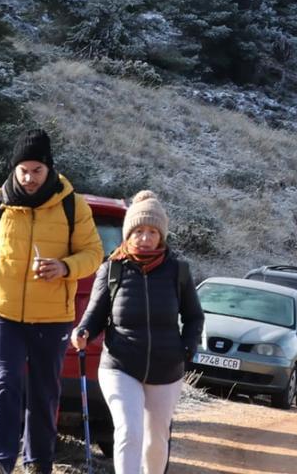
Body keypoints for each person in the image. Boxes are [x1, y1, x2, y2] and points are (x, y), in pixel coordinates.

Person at [0, 129, 105, 474]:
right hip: (2, 312)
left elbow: (94, 253)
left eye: (36, 171)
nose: (29, 178)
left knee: (44, 391)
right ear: (14, 168)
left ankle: (38, 461)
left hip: (52, 317)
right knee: (4, 383)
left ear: (49, 168)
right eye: (23, 170)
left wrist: (64, 267)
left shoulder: (72, 204)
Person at [73, 190, 204, 474]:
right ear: (128, 233)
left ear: (162, 236)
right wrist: (82, 332)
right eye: (139, 231)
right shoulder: (112, 270)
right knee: (129, 430)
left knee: (156, 439)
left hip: (166, 367)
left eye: (152, 232)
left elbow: (194, 317)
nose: (145, 238)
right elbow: (94, 316)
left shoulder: (178, 271)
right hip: (120, 365)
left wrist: (187, 348)